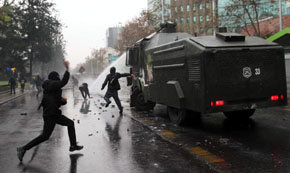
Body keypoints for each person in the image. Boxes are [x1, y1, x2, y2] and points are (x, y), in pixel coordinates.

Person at [17, 61, 83, 162]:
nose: (58, 79)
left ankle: (73, 145)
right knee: (46, 135)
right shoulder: (51, 84)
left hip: (52, 113)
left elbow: (55, 100)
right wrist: (67, 69)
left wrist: (62, 100)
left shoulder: (50, 87)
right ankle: (23, 149)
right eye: (57, 77)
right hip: (51, 114)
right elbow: (63, 82)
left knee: (68, 125)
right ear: (55, 77)